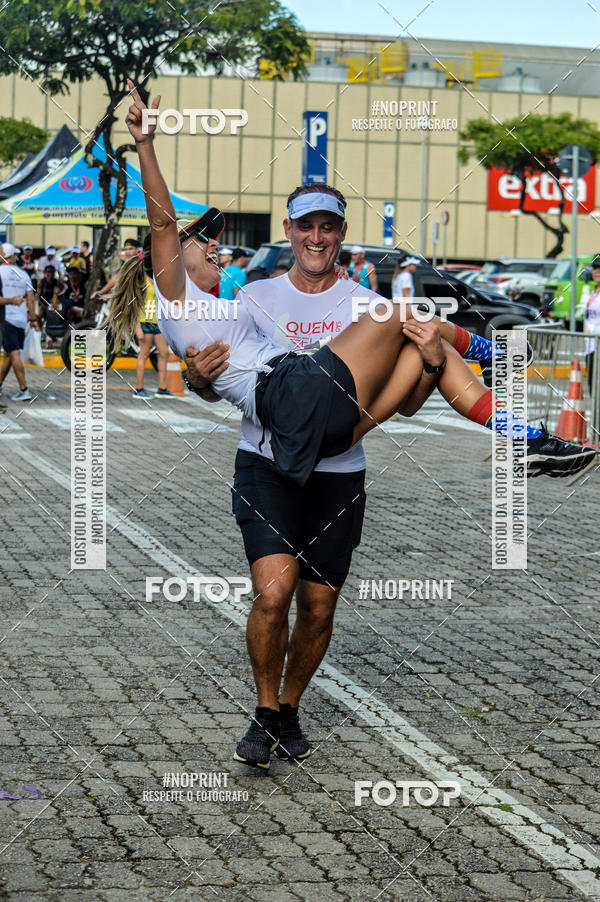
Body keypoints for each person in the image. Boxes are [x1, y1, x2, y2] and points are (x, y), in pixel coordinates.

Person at [111, 83, 597, 772]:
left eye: (327, 226)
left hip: (334, 435)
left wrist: (430, 366)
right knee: (275, 590)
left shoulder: (230, 305)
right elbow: (164, 221)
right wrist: (147, 142)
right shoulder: (201, 295)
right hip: (288, 417)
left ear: (337, 233)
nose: (215, 250)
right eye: (206, 245)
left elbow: (392, 407)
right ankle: (505, 386)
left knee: (416, 337)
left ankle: (526, 435)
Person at [0, 242, 37, 401]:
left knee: (14, 352)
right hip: (21, 319)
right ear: (13, 256)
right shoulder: (24, 274)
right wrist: (33, 317)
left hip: (6, 318)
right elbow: (31, 297)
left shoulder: (0, 272)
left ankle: (24, 389)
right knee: (9, 354)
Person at [128, 273, 175, 399]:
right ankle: (139, 389)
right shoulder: (140, 280)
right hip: (145, 321)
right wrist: (137, 328)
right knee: (144, 354)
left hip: (157, 322)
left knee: (164, 352)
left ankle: (162, 388)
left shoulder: (158, 278)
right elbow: (135, 304)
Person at [582, 255, 600, 392]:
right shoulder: (593, 292)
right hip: (590, 346)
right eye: (595, 267)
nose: (597, 271)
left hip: (598, 346)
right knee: (592, 389)